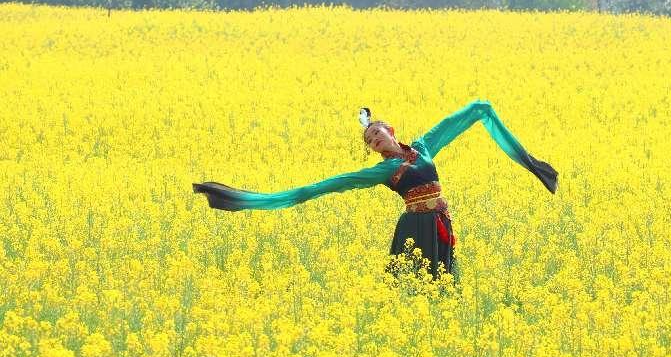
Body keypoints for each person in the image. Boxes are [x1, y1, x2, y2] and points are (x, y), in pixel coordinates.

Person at [192, 100, 558, 280]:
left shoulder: (424, 146)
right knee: (414, 288)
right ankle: (233, 199)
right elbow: (324, 186)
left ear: (391, 132)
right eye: (369, 140)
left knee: (444, 285)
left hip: (440, 223)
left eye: (376, 134)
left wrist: (530, 164)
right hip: (414, 230)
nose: (374, 141)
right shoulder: (382, 172)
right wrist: (262, 198)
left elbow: (476, 111)